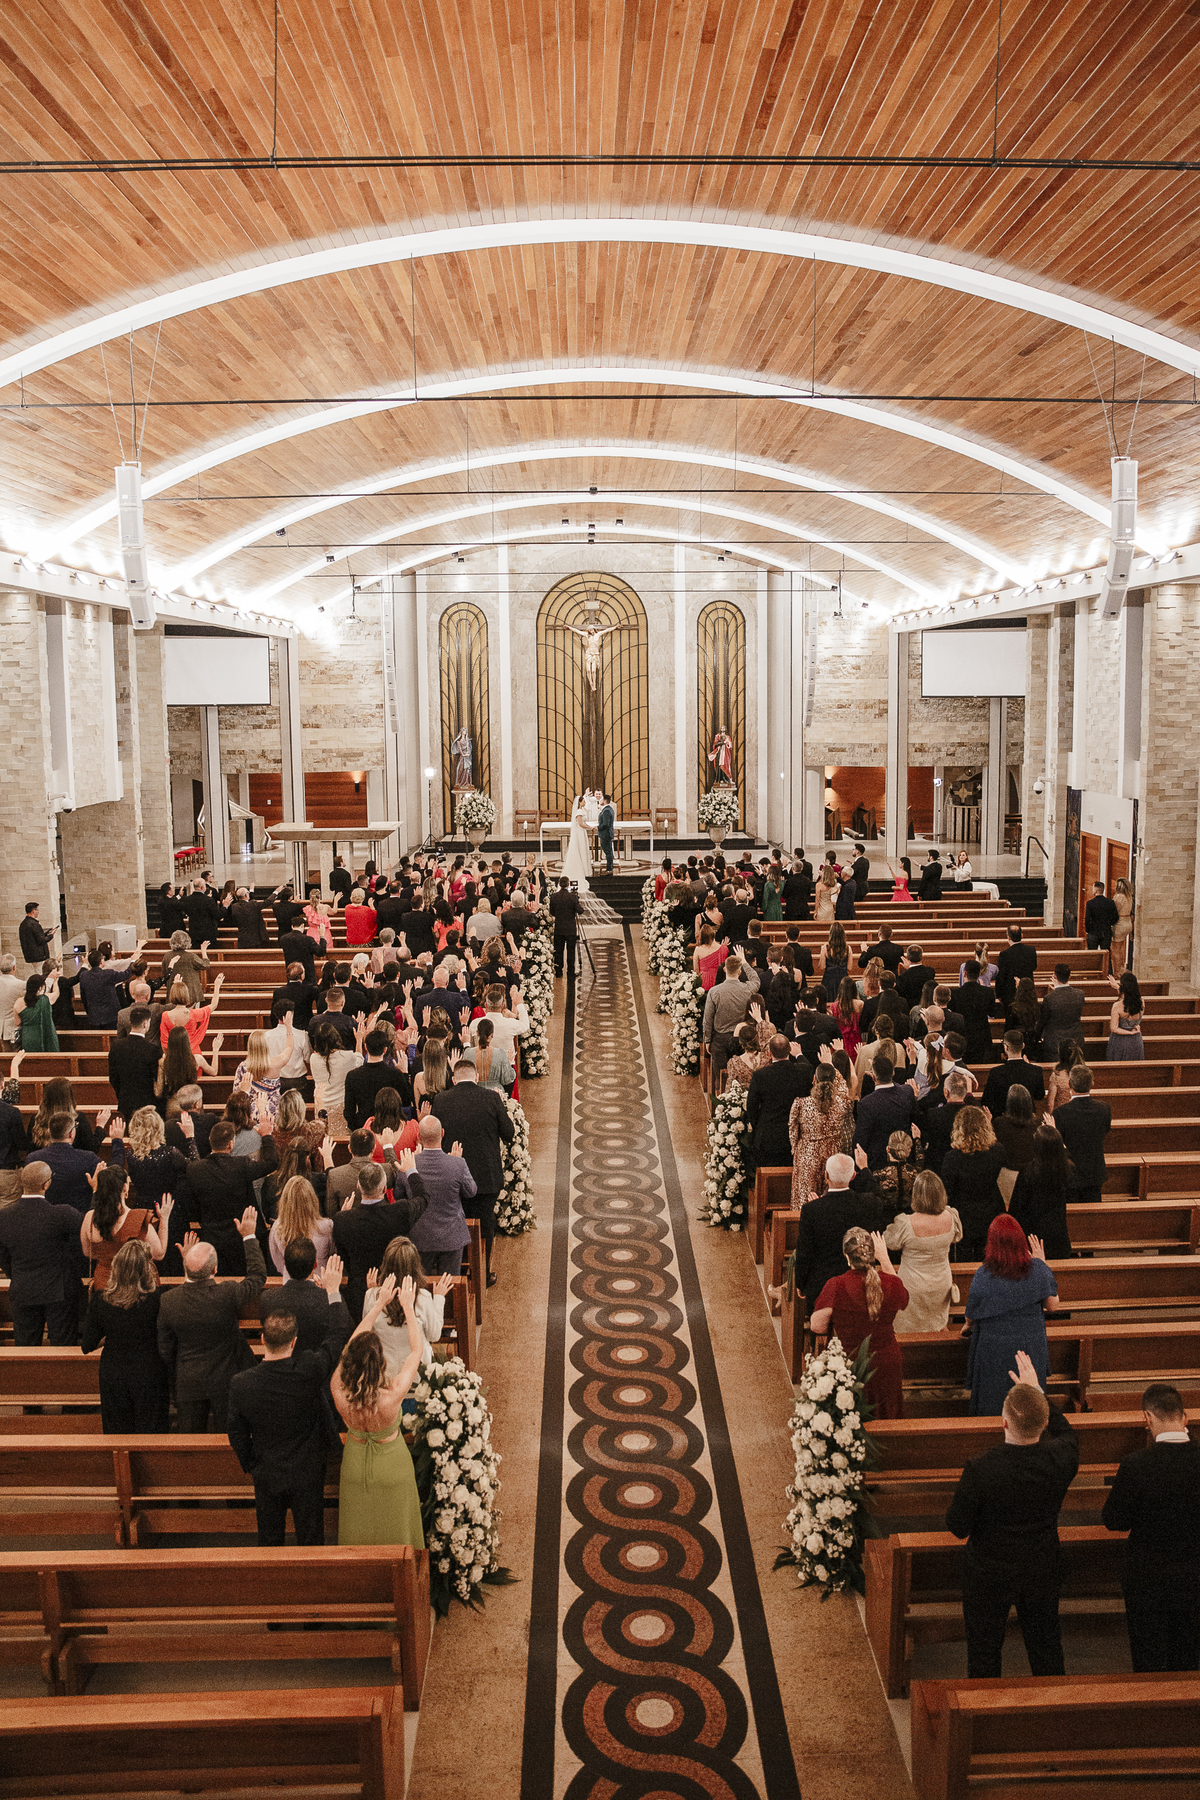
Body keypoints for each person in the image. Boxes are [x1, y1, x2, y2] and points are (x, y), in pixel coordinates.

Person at [945, 1349, 1079, 1678]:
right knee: (1046, 1646)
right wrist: (1039, 1393)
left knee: (984, 1649)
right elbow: (1069, 1435)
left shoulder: (981, 1467)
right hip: (1041, 1565)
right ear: (1045, 1421)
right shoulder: (1060, 1458)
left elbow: (957, 1527)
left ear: (1003, 1421)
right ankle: (1054, 1715)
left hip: (988, 1572)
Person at [226, 1250, 352, 1546]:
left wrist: (252, 1464)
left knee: (269, 1539)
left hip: (266, 1471)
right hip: (307, 1469)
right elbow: (339, 1333)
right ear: (294, 1341)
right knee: (311, 1537)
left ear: (262, 1339)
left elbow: (237, 1432)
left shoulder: (241, 1383)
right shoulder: (309, 1369)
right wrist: (333, 1291)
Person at [1102, 1382, 1200, 1672]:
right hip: (1195, 1575)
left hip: (1148, 1579)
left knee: (1149, 1657)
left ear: (1147, 1418)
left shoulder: (1136, 1464)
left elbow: (1114, 1521)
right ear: (1185, 1418)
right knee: (1190, 1655)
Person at [331, 1272, 425, 1548]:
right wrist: (407, 1305)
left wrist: (377, 1303)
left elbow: (350, 1344)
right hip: (391, 1465)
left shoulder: (338, 1387)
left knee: (359, 1526)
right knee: (398, 1526)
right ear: (380, 1362)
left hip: (356, 1460)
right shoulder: (391, 1395)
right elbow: (416, 1350)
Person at [156, 1208, 266, 1430]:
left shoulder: (169, 1301)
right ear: (215, 1269)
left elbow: (165, 1349)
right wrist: (248, 1236)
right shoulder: (227, 1294)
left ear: (186, 1267)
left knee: (190, 1445)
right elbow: (257, 1276)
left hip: (188, 1381)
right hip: (224, 1381)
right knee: (229, 1438)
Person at [430, 1051, 513, 1288]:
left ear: (454, 1079)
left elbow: (435, 1135)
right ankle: (482, 1274)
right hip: (486, 1176)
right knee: (485, 1224)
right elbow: (508, 1133)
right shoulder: (491, 1099)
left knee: (455, 1220)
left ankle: (454, 1271)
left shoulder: (441, 1100)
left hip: (452, 1176)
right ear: (476, 1077)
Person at [964, 1217, 1061, 1414]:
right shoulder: (1038, 1270)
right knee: (1029, 1401)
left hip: (994, 1347)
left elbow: (971, 1314)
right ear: (1021, 1241)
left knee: (992, 1402)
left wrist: (967, 1326)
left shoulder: (983, 1275)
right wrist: (1042, 1264)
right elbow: (1052, 1305)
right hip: (1030, 1345)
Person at [810, 1228, 908, 1418]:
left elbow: (817, 1326)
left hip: (851, 1365)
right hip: (887, 1363)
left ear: (847, 1257)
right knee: (888, 1417)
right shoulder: (890, 1283)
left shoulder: (836, 1285)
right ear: (874, 1255)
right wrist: (885, 1260)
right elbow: (903, 1298)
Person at [79, 1238, 171, 1431]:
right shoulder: (160, 1299)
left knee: (117, 1433)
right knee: (152, 1432)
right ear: (147, 1269)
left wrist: (111, 1336)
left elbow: (87, 1344)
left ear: (116, 1267)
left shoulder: (100, 1300)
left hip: (114, 1372)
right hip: (150, 1371)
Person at [332, 1156, 428, 1321]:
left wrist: (344, 1215)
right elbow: (423, 1198)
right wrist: (411, 1170)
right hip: (396, 1290)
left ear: (358, 1186)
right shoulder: (400, 1212)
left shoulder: (342, 1220)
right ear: (385, 1189)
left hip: (359, 1295)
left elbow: (344, 1258)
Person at [791, 1153, 891, 1313]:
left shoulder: (812, 1210)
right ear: (853, 1176)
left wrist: (801, 1283)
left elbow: (805, 1252)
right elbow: (878, 1195)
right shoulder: (868, 1204)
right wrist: (864, 1168)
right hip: (860, 1287)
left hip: (822, 1288)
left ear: (826, 1175)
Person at [183, 1117, 279, 1276]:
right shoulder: (241, 1165)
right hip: (240, 1238)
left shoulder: (194, 1169)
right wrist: (266, 1135)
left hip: (212, 1237)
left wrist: (190, 1138)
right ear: (230, 1144)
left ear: (210, 1141)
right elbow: (271, 1163)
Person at [0, 1160, 82, 1343]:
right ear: (47, 1184)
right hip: (58, 1291)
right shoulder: (62, 1214)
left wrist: (17, 1273)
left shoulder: (3, 1217)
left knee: (26, 1348)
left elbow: (3, 1256)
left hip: (23, 1288)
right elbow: (89, 1232)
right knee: (63, 1346)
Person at [885, 1170, 963, 1332]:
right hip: (941, 1283)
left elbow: (889, 1242)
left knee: (907, 1332)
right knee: (937, 1327)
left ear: (916, 1195)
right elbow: (958, 1237)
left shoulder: (905, 1223)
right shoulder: (951, 1216)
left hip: (912, 1285)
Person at [363, 1237, 452, 1375]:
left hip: (385, 1374)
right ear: (416, 1265)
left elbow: (368, 1332)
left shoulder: (372, 1296)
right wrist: (439, 1298)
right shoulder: (423, 1297)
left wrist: (373, 1291)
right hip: (417, 1374)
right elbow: (434, 1335)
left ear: (385, 1264)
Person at [79, 1163, 167, 1291]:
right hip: (133, 1287)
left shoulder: (89, 1217)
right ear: (125, 1188)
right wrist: (164, 1220)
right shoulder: (138, 1218)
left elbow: (88, 1252)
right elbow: (158, 1254)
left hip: (103, 1286)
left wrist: (107, 1256)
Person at [941, 1105, 1006, 1259]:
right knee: (988, 1261)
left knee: (962, 1260)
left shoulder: (952, 1158)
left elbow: (947, 1191)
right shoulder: (998, 1151)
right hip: (991, 1213)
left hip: (963, 1216)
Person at [788, 1058, 854, 1208]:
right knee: (831, 1199)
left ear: (814, 1079)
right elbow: (843, 1085)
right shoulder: (843, 1102)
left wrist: (795, 1149)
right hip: (832, 1155)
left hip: (807, 1156)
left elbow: (793, 1131)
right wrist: (831, 1065)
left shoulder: (800, 1103)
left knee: (804, 1200)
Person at [745, 1036, 813, 1169]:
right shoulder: (802, 1071)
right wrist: (799, 1054)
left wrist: (758, 1126)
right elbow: (809, 1067)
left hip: (768, 1136)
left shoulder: (761, 1075)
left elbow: (751, 1107)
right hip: (796, 1135)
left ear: (770, 1052)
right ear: (789, 1050)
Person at [1009, 1124, 1075, 1260]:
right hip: (1058, 1232)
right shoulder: (1067, 1170)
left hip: (1033, 1234)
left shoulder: (1028, 1172)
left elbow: (1017, 1205)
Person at [1053, 1063, 1111, 1206]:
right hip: (1094, 1173)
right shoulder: (1103, 1109)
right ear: (1092, 1083)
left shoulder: (1060, 1114)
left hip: (1071, 1173)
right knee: (1093, 1219)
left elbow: (1058, 1144)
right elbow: (1105, 1130)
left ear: (1069, 1084)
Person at [702, 955, 760, 1083]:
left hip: (720, 1039)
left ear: (724, 970)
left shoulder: (714, 991)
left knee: (721, 1078)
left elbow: (708, 1018)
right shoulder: (748, 989)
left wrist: (707, 1040)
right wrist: (745, 963)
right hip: (741, 1038)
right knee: (740, 1078)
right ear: (739, 972)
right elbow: (756, 980)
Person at [107, 1005, 162, 1118]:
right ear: (145, 1023)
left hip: (125, 1100)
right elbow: (157, 1077)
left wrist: (121, 1094)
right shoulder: (153, 1049)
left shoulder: (116, 1046)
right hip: (147, 1103)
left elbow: (113, 1077)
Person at [980, 1031, 1045, 1117]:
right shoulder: (1036, 1070)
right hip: (1028, 1119)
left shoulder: (996, 1072)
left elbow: (986, 1100)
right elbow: (1039, 1095)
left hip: (1002, 1120)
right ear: (1023, 1046)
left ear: (1006, 1047)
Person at [995, 924, 1038, 1010]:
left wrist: (999, 994)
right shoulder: (1031, 950)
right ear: (1022, 935)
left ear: (1009, 937)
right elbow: (1034, 966)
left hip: (1010, 993)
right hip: (1027, 990)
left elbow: (1001, 976)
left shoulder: (1004, 954)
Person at [549, 875, 583, 978]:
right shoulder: (572, 897)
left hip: (559, 928)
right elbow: (580, 911)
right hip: (570, 929)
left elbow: (552, 912)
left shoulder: (554, 896)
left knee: (558, 950)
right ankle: (570, 972)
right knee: (570, 951)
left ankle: (558, 971)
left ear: (559, 884)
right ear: (568, 884)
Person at [14, 971, 59, 1050]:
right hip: (47, 1035)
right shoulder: (46, 999)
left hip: (28, 1037)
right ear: (40, 988)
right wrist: (55, 981)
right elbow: (56, 993)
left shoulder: (19, 1002)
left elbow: (17, 1023)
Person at [1106, 970, 1144, 1061]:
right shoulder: (1141, 1001)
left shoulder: (1117, 1006)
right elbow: (1130, 997)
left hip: (1120, 1041)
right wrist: (1116, 987)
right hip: (1136, 1040)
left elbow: (1114, 1028)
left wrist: (1129, 1032)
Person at [560, 795, 592, 893]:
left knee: (583, 849)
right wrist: (590, 827)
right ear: (579, 802)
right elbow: (580, 824)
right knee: (580, 849)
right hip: (579, 833)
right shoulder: (578, 812)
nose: (585, 803)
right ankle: (581, 868)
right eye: (583, 801)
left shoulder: (582, 810)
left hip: (582, 832)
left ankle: (584, 868)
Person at [1084, 878, 1119, 964]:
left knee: (1092, 955)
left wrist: (1088, 930)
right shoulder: (1110, 902)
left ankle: (1092, 973)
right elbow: (1116, 917)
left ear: (1095, 890)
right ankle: (1108, 974)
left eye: (1093, 888)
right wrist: (1109, 924)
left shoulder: (1090, 903)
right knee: (1106, 955)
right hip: (1106, 931)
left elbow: (1087, 918)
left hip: (1093, 932)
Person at [19, 900, 57, 968]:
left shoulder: (23, 923)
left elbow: (33, 937)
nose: (38, 912)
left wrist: (45, 933)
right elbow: (41, 940)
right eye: (37, 910)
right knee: (40, 974)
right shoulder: (34, 924)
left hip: (30, 955)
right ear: (33, 911)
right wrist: (51, 935)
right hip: (38, 956)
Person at [1111, 876, 1134, 970]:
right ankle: (1121, 967)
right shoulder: (1129, 897)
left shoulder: (1119, 897)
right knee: (1121, 947)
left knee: (1115, 949)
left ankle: (1117, 969)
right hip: (1128, 922)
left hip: (1120, 923)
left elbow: (1115, 910)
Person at [596, 794, 616, 876]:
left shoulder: (606, 810)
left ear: (604, 800)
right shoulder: (608, 809)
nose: (600, 800)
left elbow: (606, 824)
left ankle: (609, 869)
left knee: (608, 852)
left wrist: (598, 827)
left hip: (606, 834)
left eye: (601, 799)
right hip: (607, 833)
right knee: (609, 851)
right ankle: (609, 868)